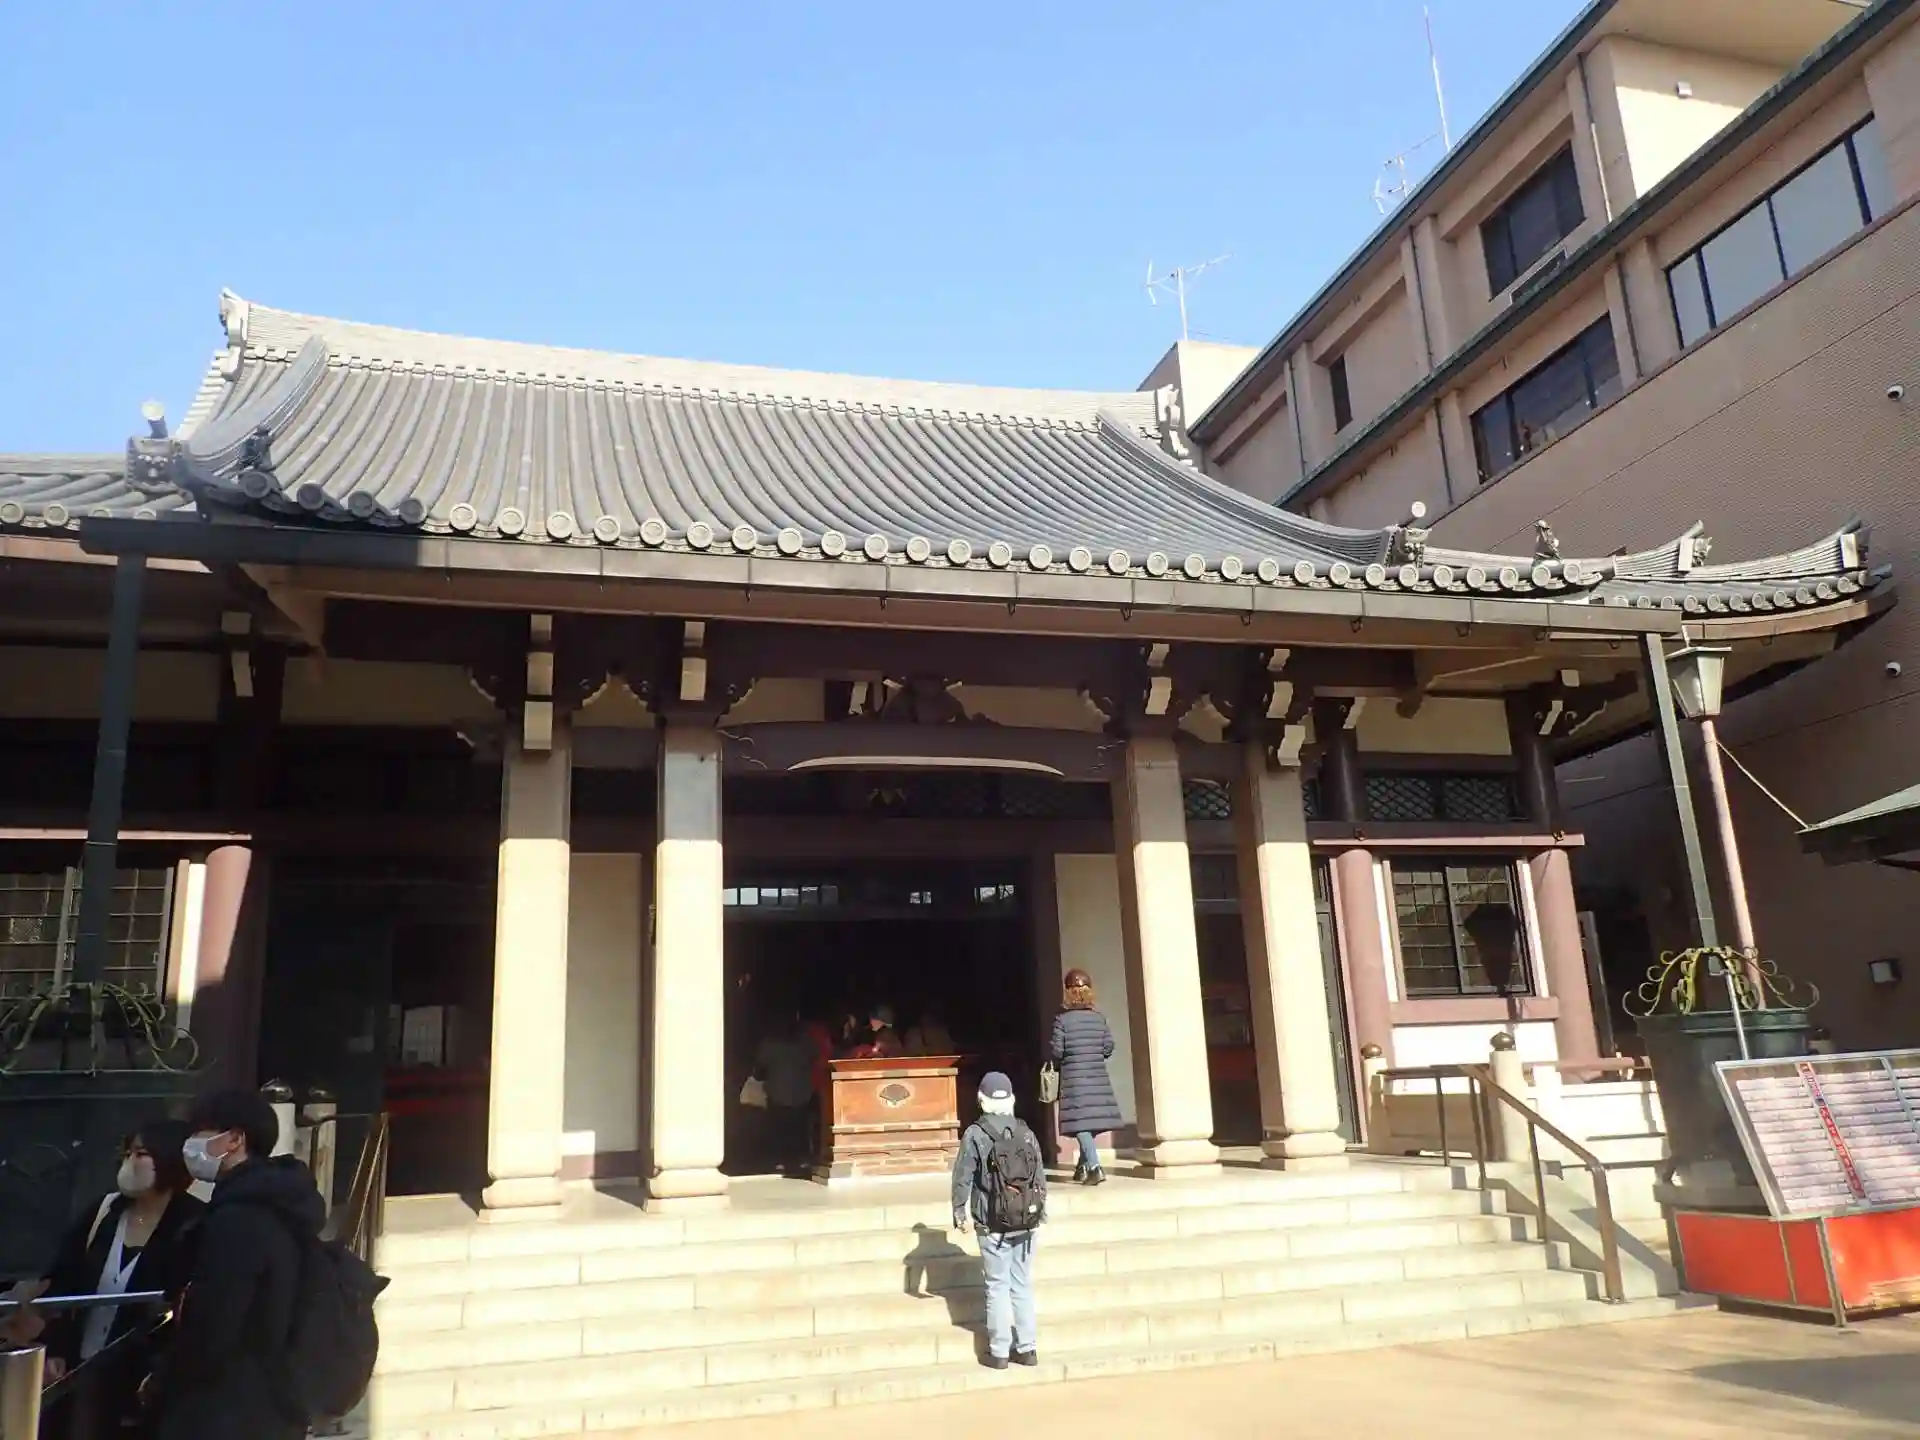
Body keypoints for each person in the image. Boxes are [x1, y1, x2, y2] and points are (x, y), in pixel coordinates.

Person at [145, 1088, 326, 1440]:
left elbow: (214, 1322)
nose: (190, 1145)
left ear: (234, 1139)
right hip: (269, 1403)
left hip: (228, 1409)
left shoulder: (238, 1218)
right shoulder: (280, 1203)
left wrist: (165, 1381)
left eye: (200, 1132)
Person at [9, 1121, 204, 1439]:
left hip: (144, 1382)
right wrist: (56, 1348)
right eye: (127, 1153)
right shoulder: (104, 1212)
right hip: (82, 1371)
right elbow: (61, 1283)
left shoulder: (194, 1224)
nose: (130, 1162)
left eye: (141, 1154)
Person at [950, 1071, 1045, 1370]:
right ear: (1011, 1099)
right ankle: (1028, 1349)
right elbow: (1040, 1177)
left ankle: (1000, 1351)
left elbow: (963, 1177)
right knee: (1021, 1285)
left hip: (991, 1223)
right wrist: (1039, 1213)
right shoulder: (1025, 1131)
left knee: (996, 1286)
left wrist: (959, 1212)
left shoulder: (975, 1134)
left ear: (981, 1099)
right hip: (1027, 1222)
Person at [1050, 968, 1123, 1186]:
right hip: (1097, 1077)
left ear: (1068, 992)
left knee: (1080, 1125)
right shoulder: (1099, 1019)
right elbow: (1108, 1047)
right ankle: (1082, 1168)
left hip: (1074, 1079)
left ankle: (1094, 1167)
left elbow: (1057, 1051)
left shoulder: (1062, 1021)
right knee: (1088, 1122)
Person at [754, 1008, 819, 1174]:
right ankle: (801, 1158)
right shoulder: (805, 1041)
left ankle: (780, 1159)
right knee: (799, 1127)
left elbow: (759, 1070)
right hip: (802, 1092)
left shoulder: (770, 1043)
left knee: (778, 1128)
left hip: (777, 1092)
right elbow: (814, 1057)